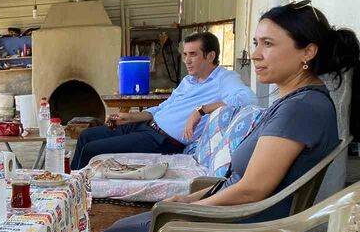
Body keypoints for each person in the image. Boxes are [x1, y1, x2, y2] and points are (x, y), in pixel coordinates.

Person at [89, 1, 360, 232]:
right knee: (130, 228)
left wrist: (188, 212)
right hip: (237, 223)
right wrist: (188, 202)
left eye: (268, 44)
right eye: (256, 43)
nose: (256, 54)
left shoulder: (301, 109)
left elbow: (251, 190)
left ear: (307, 52)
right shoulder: (297, 102)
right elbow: (241, 180)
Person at [71, 31, 257, 170]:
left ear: (210, 56)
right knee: (87, 136)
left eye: (193, 54)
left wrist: (201, 110)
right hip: (146, 126)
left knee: (92, 150)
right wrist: (129, 117)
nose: (187, 60)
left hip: (163, 141)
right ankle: (67, 185)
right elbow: (163, 107)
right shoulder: (188, 81)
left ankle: (77, 197)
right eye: (185, 54)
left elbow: (248, 100)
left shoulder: (224, 79)